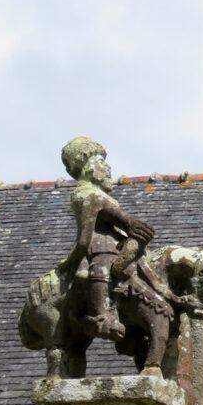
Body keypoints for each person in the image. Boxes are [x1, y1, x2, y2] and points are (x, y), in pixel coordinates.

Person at [59, 137, 154, 341]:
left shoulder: (94, 194)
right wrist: (70, 261)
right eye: (101, 162)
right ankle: (101, 316)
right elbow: (84, 240)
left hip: (115, 245)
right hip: (101, 248)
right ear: (86, 166)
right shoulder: (90, 195)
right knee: (102, 269)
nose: (108, 167)